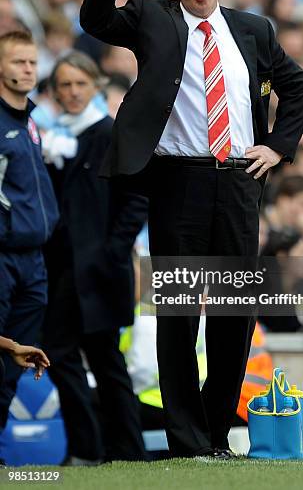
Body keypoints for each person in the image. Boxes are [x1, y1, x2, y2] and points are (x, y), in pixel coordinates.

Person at [80, 0, 303, 459]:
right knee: (180, 315)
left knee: (234, 315)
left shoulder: (253, 29)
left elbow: (298, 86)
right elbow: (94, 20)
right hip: (177, 182)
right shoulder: (151, 15)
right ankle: (186, 441)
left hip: (238, 182)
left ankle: (215, 435)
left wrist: (277, 147)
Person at [41, 51, 148, 465]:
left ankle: (114, 449)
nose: (71, 93)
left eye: (79, 84)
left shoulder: (107, 133)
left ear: (95, 86)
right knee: (75, 355)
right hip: (66, 269)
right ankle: (100, 448)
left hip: (98, 272)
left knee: (100, 360)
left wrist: (111, 254)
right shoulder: (56, 140)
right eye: (64, 85)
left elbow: (135, 200)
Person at [0, 30, 59, 438]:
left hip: (34, 258)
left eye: (32, 62)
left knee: (14, 361)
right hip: (3, 255)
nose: (27, 69)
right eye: (18, 61)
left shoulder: (32, 121)